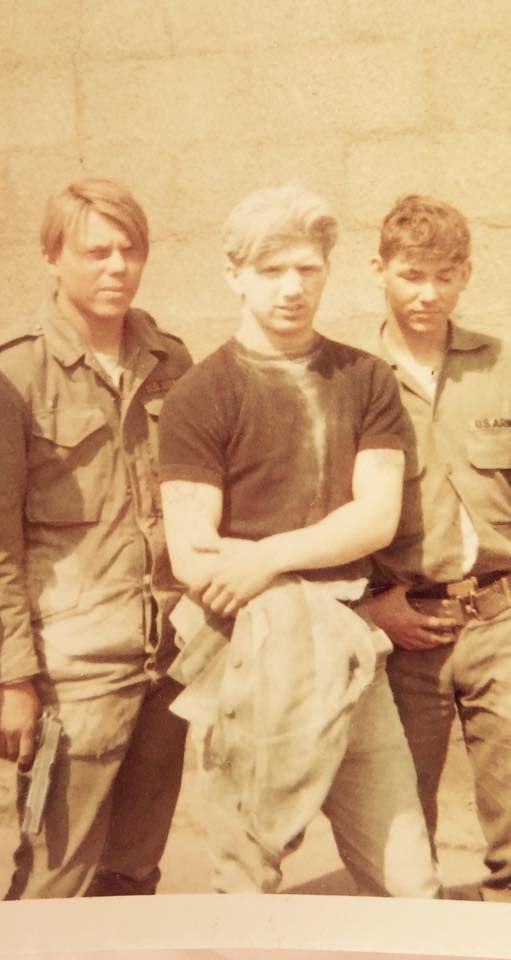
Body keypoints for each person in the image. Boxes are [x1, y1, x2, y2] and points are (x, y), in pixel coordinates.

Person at [158, 183, 439, 896]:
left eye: (307, 270)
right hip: (247, 660)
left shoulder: (363, 379)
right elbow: (195, 555)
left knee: (410, 883)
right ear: (234, 276)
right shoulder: (200, 395)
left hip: (352, 655)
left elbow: (373, 518)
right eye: (270, 270)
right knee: (245, 882)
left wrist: (264, 556)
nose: (291, 288)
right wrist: (301, 565)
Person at [0, 177, 192, 898]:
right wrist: (12, 678)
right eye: (95, 252)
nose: (116, 266)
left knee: (135, 869)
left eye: (130, 250)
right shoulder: (6, 379)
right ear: (50, 257)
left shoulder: (170, 362)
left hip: (166, 658)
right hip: (73, 670)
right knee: (57, 875)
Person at [361, 194, 511, 902]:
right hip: (404, 631)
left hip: (500, 618)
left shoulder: (500, 364)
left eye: (443, 276)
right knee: (401, 835)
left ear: (465, 276)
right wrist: (369, 609)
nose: (427, 293)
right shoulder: (350, 381)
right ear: (379, 271)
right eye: (411, 274)